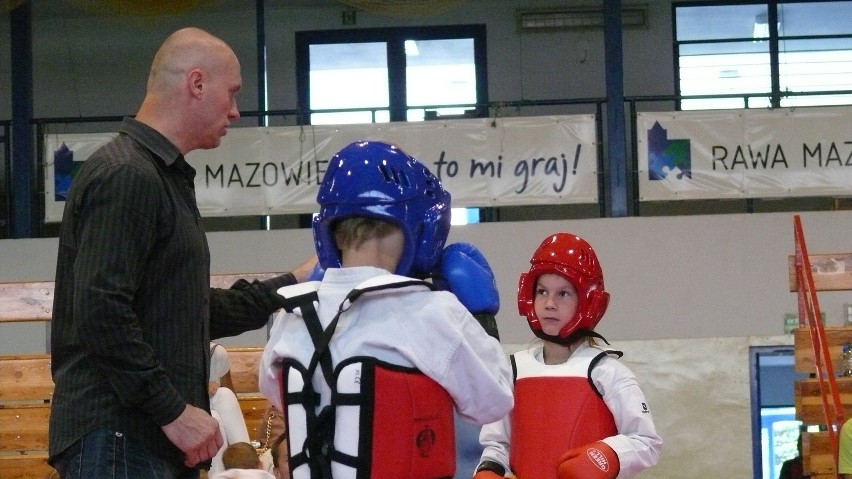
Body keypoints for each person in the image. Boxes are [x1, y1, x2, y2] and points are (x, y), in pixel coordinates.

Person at [48, 27, 317, 479]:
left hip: (138, 441)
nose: (234, 111)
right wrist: (173, 411)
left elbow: (185, 310)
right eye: (230, 93)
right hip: (121, 440)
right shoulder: (128, 175)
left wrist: (292, 284)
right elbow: (100, 311)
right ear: (196, 84)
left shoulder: (155, 177)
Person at [258, 140, 513, 479]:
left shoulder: (292, 315)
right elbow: (493, 401)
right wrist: (480, 321)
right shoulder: (431, 311)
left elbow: (275, 392)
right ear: (418, 226)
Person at [475, 232, 662, 479]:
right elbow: (497, 445)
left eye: (563, 294)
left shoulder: (606, 373)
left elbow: (647, 442)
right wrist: (490, 470)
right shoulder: (513, 371)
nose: (549, 303)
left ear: (587, 302)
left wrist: (607, 456)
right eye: (542, 291)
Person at [210, 342, 252, 476]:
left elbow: (231, 399)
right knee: (213, 417)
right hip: (182, 417)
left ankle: (248, 470)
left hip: (212, 416)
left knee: (225, 394)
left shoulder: (216, 352)